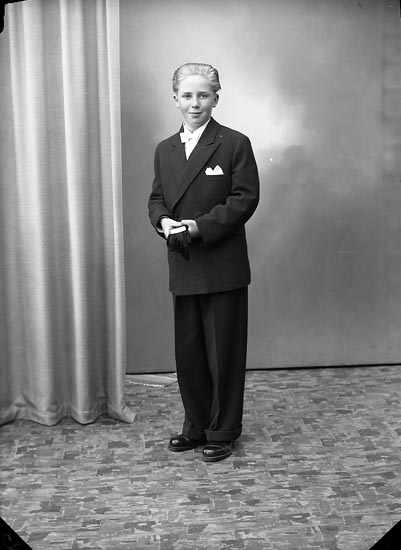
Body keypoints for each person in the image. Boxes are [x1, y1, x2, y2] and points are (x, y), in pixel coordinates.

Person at [148, 63, 259, 462]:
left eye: (203, 95)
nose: (195, 103)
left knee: (223, 353)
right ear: (175, 98)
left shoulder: (234, 143)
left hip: (222, 264)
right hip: (183, 261)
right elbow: (157, 199)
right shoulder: (164, 149)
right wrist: (163, 222)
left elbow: (244, 199)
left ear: (216, 98)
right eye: (187, 96)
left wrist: (198, 227)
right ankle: (195, 426)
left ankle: (223, 430)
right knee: (190, 351)